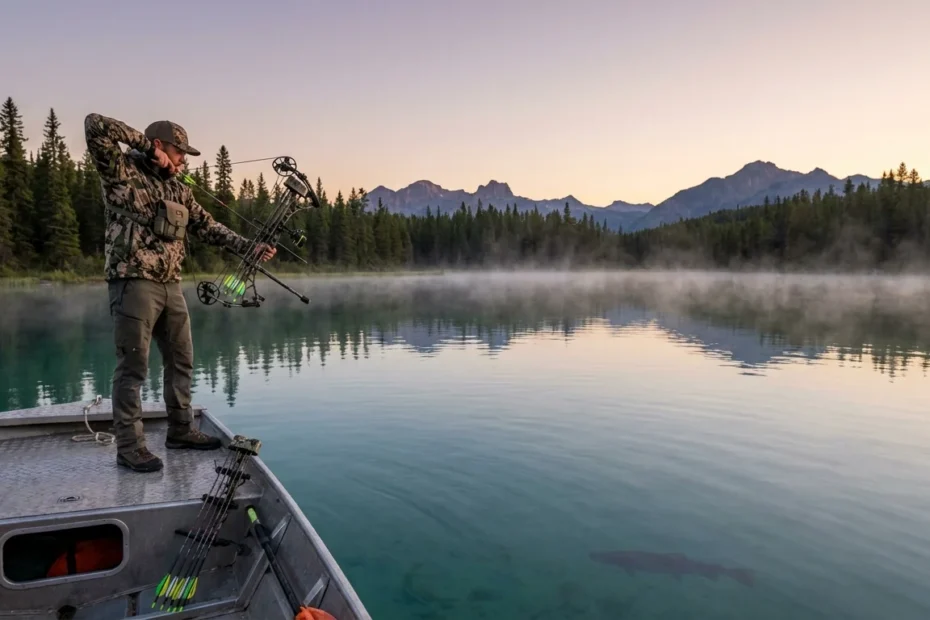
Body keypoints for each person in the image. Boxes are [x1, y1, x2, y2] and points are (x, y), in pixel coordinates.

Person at [84, 113, 276, 473]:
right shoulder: (121, 170)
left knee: (182, 358)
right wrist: (145, 148)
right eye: (179, 152)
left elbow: (208, 226)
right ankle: (130, 447)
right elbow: (94, 124)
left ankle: (181, 430)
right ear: (160, 146)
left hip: (170, 284)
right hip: (133, 281)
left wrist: (249, 247)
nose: (183, 160)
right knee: (133, 366)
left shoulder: (179, 189)